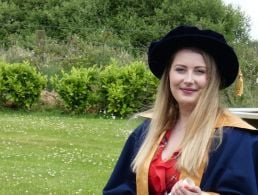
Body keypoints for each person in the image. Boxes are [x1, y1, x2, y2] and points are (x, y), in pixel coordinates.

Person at [103, 25, 258, 194]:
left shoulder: (236, 139)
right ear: (168, 75)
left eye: (199, 71)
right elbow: (120, 188)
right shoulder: (147, 131)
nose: (188, 79)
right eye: (180, 70)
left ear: (213, 79)